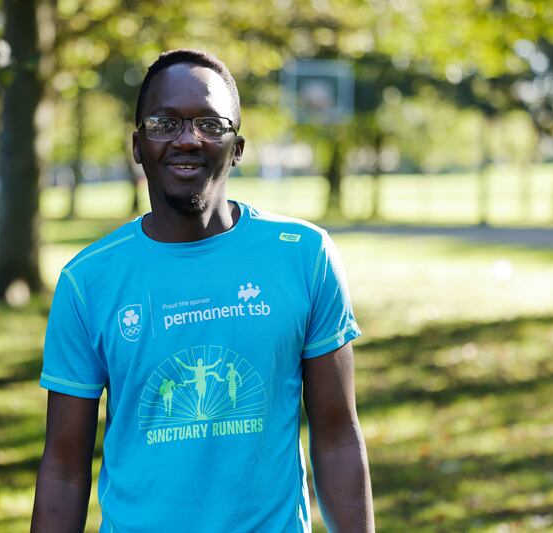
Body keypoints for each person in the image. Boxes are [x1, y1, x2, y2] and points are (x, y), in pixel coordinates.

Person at [31, 49, 374, 532]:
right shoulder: (88, 281)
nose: (187, 139)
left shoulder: (303, 255)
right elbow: (65, 470)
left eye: (210, 124)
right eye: (164, 123)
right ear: (137, 145)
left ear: (237, 147)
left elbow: (337, 436)